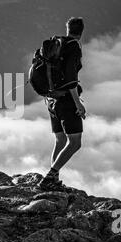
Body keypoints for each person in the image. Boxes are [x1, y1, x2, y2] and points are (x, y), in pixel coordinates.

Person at [38, 17, 86, 190]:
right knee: (75, 142)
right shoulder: (73, 47)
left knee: (60, 139)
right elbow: (71, 78)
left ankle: (53, 179)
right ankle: (50, 177)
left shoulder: (56, 44)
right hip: (66, 100)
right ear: (82, 30)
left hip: (51, 100)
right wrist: (78, 104)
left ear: (67, 28)